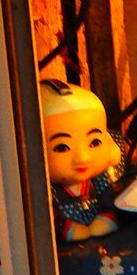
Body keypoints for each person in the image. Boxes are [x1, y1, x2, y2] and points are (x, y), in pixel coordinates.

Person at [39, 79, 127, 241]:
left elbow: (111, 197)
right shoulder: (48, 190)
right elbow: (47, 216)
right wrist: (65, 228)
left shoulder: (100, 178)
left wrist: (109, 215)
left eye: (94, 143)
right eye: (62, 147)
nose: (83, 157)